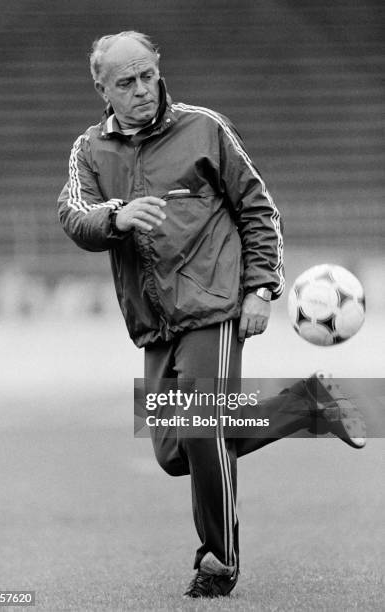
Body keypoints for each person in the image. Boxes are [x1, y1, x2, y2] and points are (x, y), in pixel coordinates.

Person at [57, 31, 366, 599]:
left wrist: (260, 289)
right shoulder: (88, 151)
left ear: (158, 70)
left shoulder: (204, 127)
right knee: (177, 454)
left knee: (202, 428)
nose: (142, 90)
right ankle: (307, 403)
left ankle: (219, 562)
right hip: (154, 322)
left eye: (148, 75)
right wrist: (117, 216)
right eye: (126, 83)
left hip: (214, 305)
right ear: (101, 87)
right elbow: (74, 215)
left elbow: (258, 209)